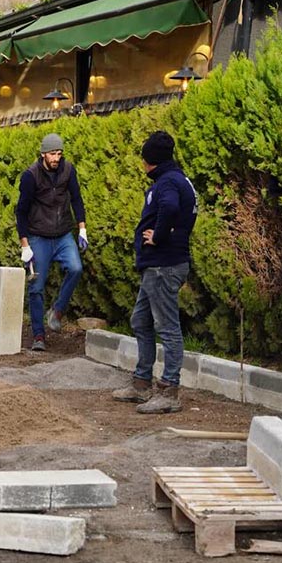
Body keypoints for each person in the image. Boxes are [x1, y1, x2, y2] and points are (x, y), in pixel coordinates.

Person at [112, 130, 199, 414]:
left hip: (164, 264)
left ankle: (169, 391)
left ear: (151, 160)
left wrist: (158, 236)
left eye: (144, 160)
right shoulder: (175, 179)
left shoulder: (168, 183)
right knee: (140, 320)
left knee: (167, 327)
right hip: (158, 265)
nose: (142, 165)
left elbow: (171, 208)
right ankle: (141, 382)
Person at [15, 132, 87, 352]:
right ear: (43, 154)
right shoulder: (31, 176)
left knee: (76, 268)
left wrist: (82, 229)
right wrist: (25, 245)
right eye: (52, 154)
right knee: (36, 285)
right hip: (38, 236)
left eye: (59, 153)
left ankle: (57, 310)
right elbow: (21, 211)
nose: (56, 158)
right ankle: (38, 335)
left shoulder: (68, 170)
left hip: (63, 233)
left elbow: (76, 199)